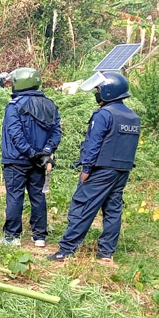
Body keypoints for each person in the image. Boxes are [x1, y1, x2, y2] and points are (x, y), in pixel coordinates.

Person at [50, 71, 140, 262]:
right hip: (122, 170)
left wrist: (86, 169)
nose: (96, 93)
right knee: (113, 210)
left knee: (83, 206)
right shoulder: (132, 117)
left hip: (100, 170)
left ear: (108, 91)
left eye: (98, 89)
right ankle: (106, 253)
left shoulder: (104, 114)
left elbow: (94, 143)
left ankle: (66, 250)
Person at [0, 67, 62, 247]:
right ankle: (40, 236)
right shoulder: (50, 104)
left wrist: (31, 153)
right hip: (41, 161)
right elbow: (56, 131)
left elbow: (15, 134)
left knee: (15, 196)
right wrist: (46, 151)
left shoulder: (14, 106)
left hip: (16, 160)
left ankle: (12, 237)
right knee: (38, 196)